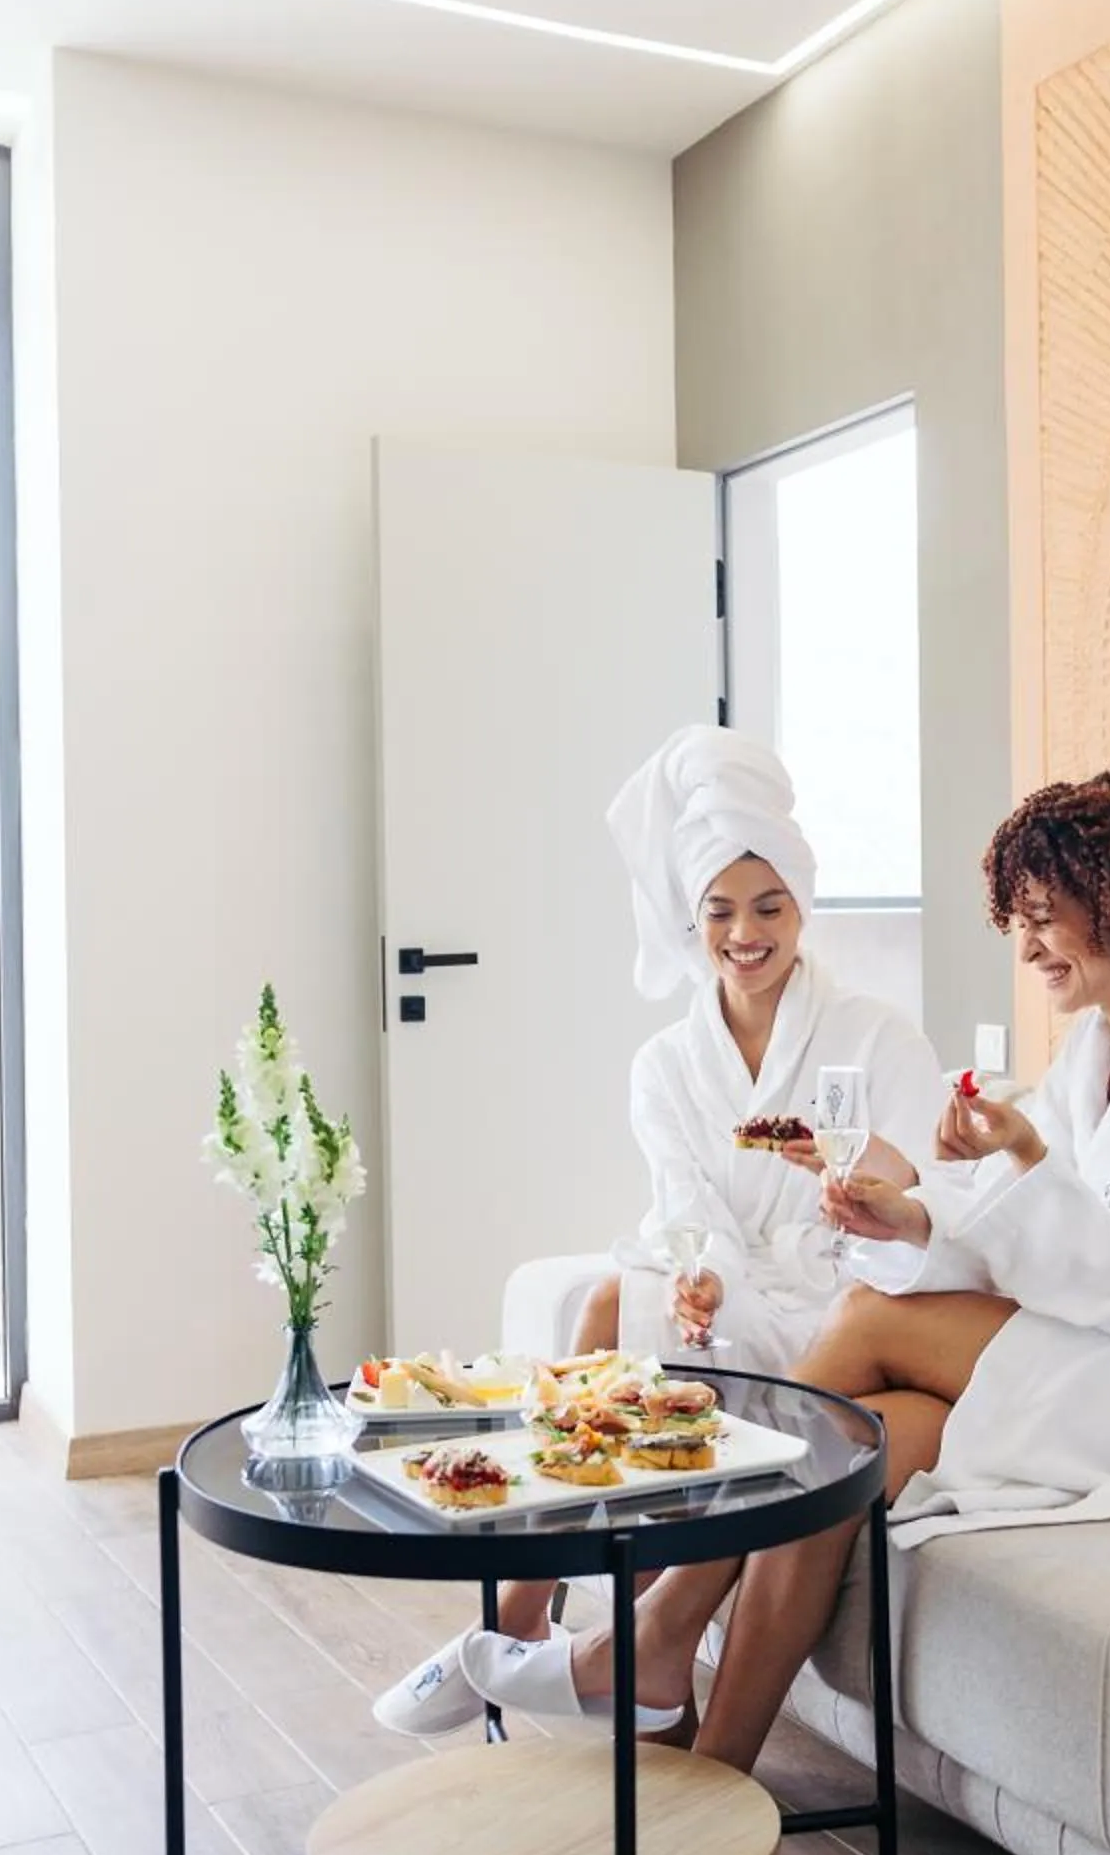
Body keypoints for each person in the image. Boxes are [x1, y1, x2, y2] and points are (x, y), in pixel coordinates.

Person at [453, 767, 1110, 1768]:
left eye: (1045, 919)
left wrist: (1020, 1162)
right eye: (1019, 918)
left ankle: (655, 1633)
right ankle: (706, 1775)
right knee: (858, 1448)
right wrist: (908, 1211)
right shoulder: (1099, 1052)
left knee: (870, 1323)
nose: (1024, 945)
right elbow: (1019, 1232)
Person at [371, 723, 944, 1734]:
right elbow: (686, 1208)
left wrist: (838, 1197)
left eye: (769, 906)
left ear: (802, 905)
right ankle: (520, 1616)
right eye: (719, 910)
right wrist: (703, 1277)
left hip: (837, 1296)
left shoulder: (875, 1036)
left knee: (619, 1309)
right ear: (689, 920)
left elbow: (916, 1197)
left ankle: (548, 1640)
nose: (745, 932)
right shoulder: (666, 1065)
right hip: (728, 1285)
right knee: (608, 1303)